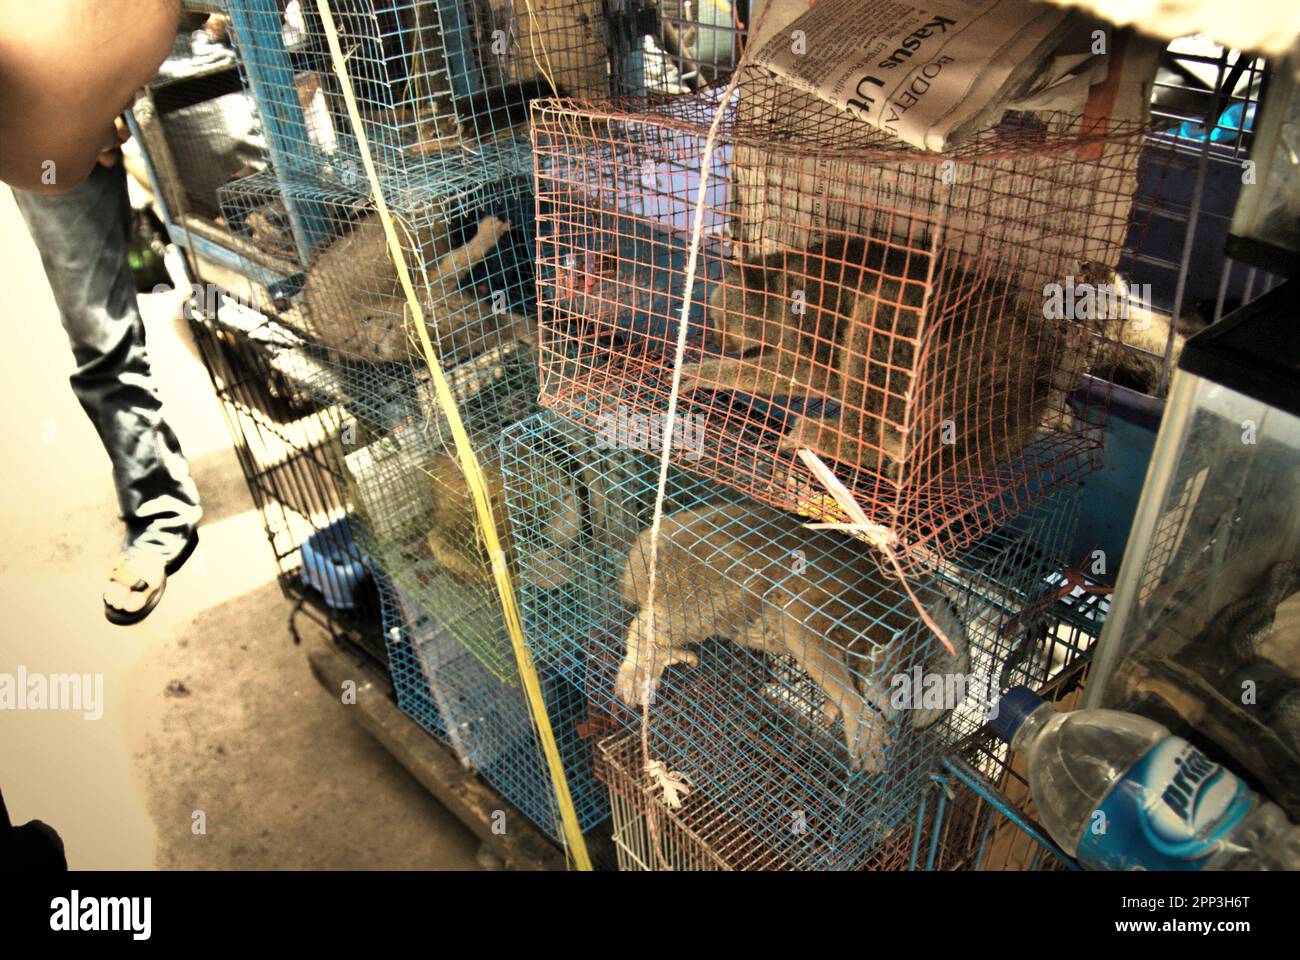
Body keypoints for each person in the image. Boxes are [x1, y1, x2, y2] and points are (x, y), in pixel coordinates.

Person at [3, 1, 201, 623]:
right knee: (99, 335)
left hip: (179, 46)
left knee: (257, 260)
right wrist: (71, 117)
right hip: (38, 95)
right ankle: (160, 513)